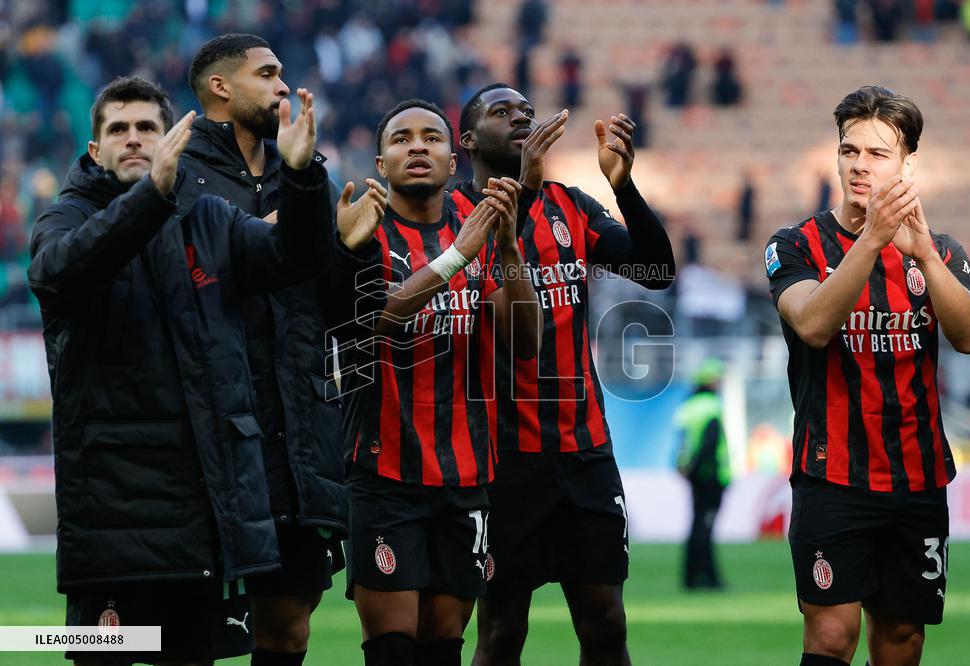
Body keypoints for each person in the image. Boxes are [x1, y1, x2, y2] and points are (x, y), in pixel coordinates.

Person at [28, 75, 332, 666]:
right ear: (96, 150)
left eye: (147, 128)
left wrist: (300, 180)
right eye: (119, 129)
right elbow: (59, 275)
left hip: (198, 507)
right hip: (110, 508)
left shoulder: (207, 218)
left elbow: (292, 260)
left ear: (170, 139)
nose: (134, 139)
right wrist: (153, 198)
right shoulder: (62, 219)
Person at [453, 83, 675, 666]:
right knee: (502, 632)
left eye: (527, 110)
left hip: (584, 453)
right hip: (502, 458)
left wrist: (623, 185)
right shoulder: (453, 216)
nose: (522, 118)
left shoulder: (571, 205)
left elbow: (656, 270)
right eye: (502, 112)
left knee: (605, 625)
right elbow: (503, 249)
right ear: (468, 139)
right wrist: (523, 184)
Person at [764, 85, 970, 666]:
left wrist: (925, 259)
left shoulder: (939, 250)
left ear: (908, 161)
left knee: (902, 640)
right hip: (832, 477)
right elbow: (812, 324)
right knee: (832, 638)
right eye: (849, 149)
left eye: (877, 153)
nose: (859, 164)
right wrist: (873, 240)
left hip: (917, 480)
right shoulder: (795, 245)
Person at [184, 33, 385, 666]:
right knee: (186, 635)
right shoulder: (178, 174)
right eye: (267, 74)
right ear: (222, 87)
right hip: (212, 429)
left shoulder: (303, 172)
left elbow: (338, 307)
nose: (281, 86)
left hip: (299, 425)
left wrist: (349, 252)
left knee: (289, 626)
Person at [335, 99, 540, 666]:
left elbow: (525, 343)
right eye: (402, 139)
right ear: (381, 161)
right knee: (393, 648)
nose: (418, 146)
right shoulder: (362, 230)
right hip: (383, 470)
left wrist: (509, 251)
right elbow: (374, 321)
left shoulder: (476, 231)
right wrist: (458, 257)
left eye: (432, 137)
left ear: (454, 160)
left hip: (466, 472)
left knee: (443, 646)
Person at [674, 358, 730, 590]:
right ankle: (707, 578)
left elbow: (682, 444)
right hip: (710, 476)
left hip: (694, 476)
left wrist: (686, 469)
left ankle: (690, 576)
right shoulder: (712, 407)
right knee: (704, 529)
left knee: (697, 525)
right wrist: (700, 470)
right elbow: (709, 444)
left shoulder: (687, 408)